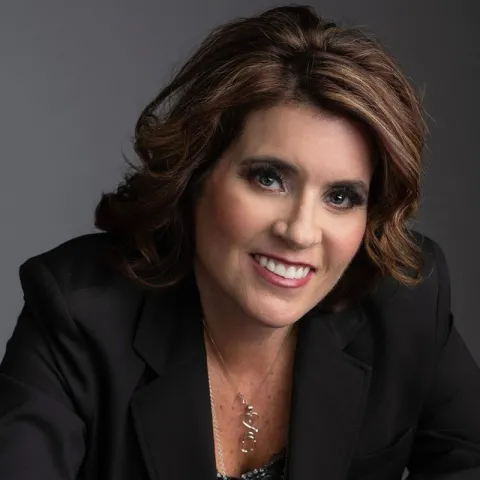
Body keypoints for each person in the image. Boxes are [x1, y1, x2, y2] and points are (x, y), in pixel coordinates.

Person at [1, 4, 479, 480]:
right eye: (268, 178)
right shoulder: (78, 312)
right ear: (196, 173)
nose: (299, 231)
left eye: (341, 196)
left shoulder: (403, 299)